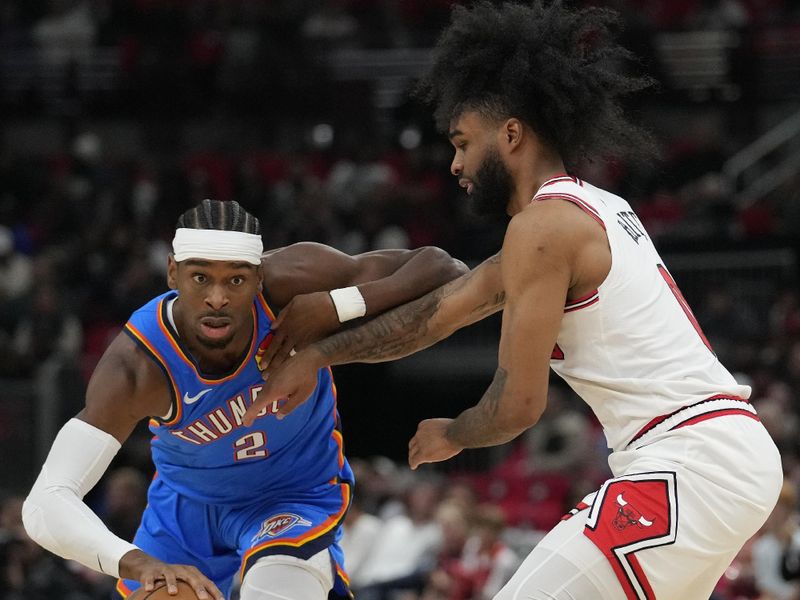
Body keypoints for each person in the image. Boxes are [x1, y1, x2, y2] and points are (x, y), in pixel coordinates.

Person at [246, 2, 784, 598]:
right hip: (715, 456)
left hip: (693, 461)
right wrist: (320, 353)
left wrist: (454, 432)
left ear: (510, 133)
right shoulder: (585, 210)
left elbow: (517, 406)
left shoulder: (544, 229)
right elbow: (433, 316)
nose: (454, 164)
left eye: (462, 142)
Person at [22, 198, 467, 600]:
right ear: (172, 272)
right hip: (186, 508)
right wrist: (136, 562)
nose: (218, 299)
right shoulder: (139, 365)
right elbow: (46, 503)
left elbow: (444, 268)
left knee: (273, 588)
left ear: (258, 277)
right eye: (200, 278)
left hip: (290, 494)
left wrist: (339, 306)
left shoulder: (292, 282)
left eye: (235, 280)